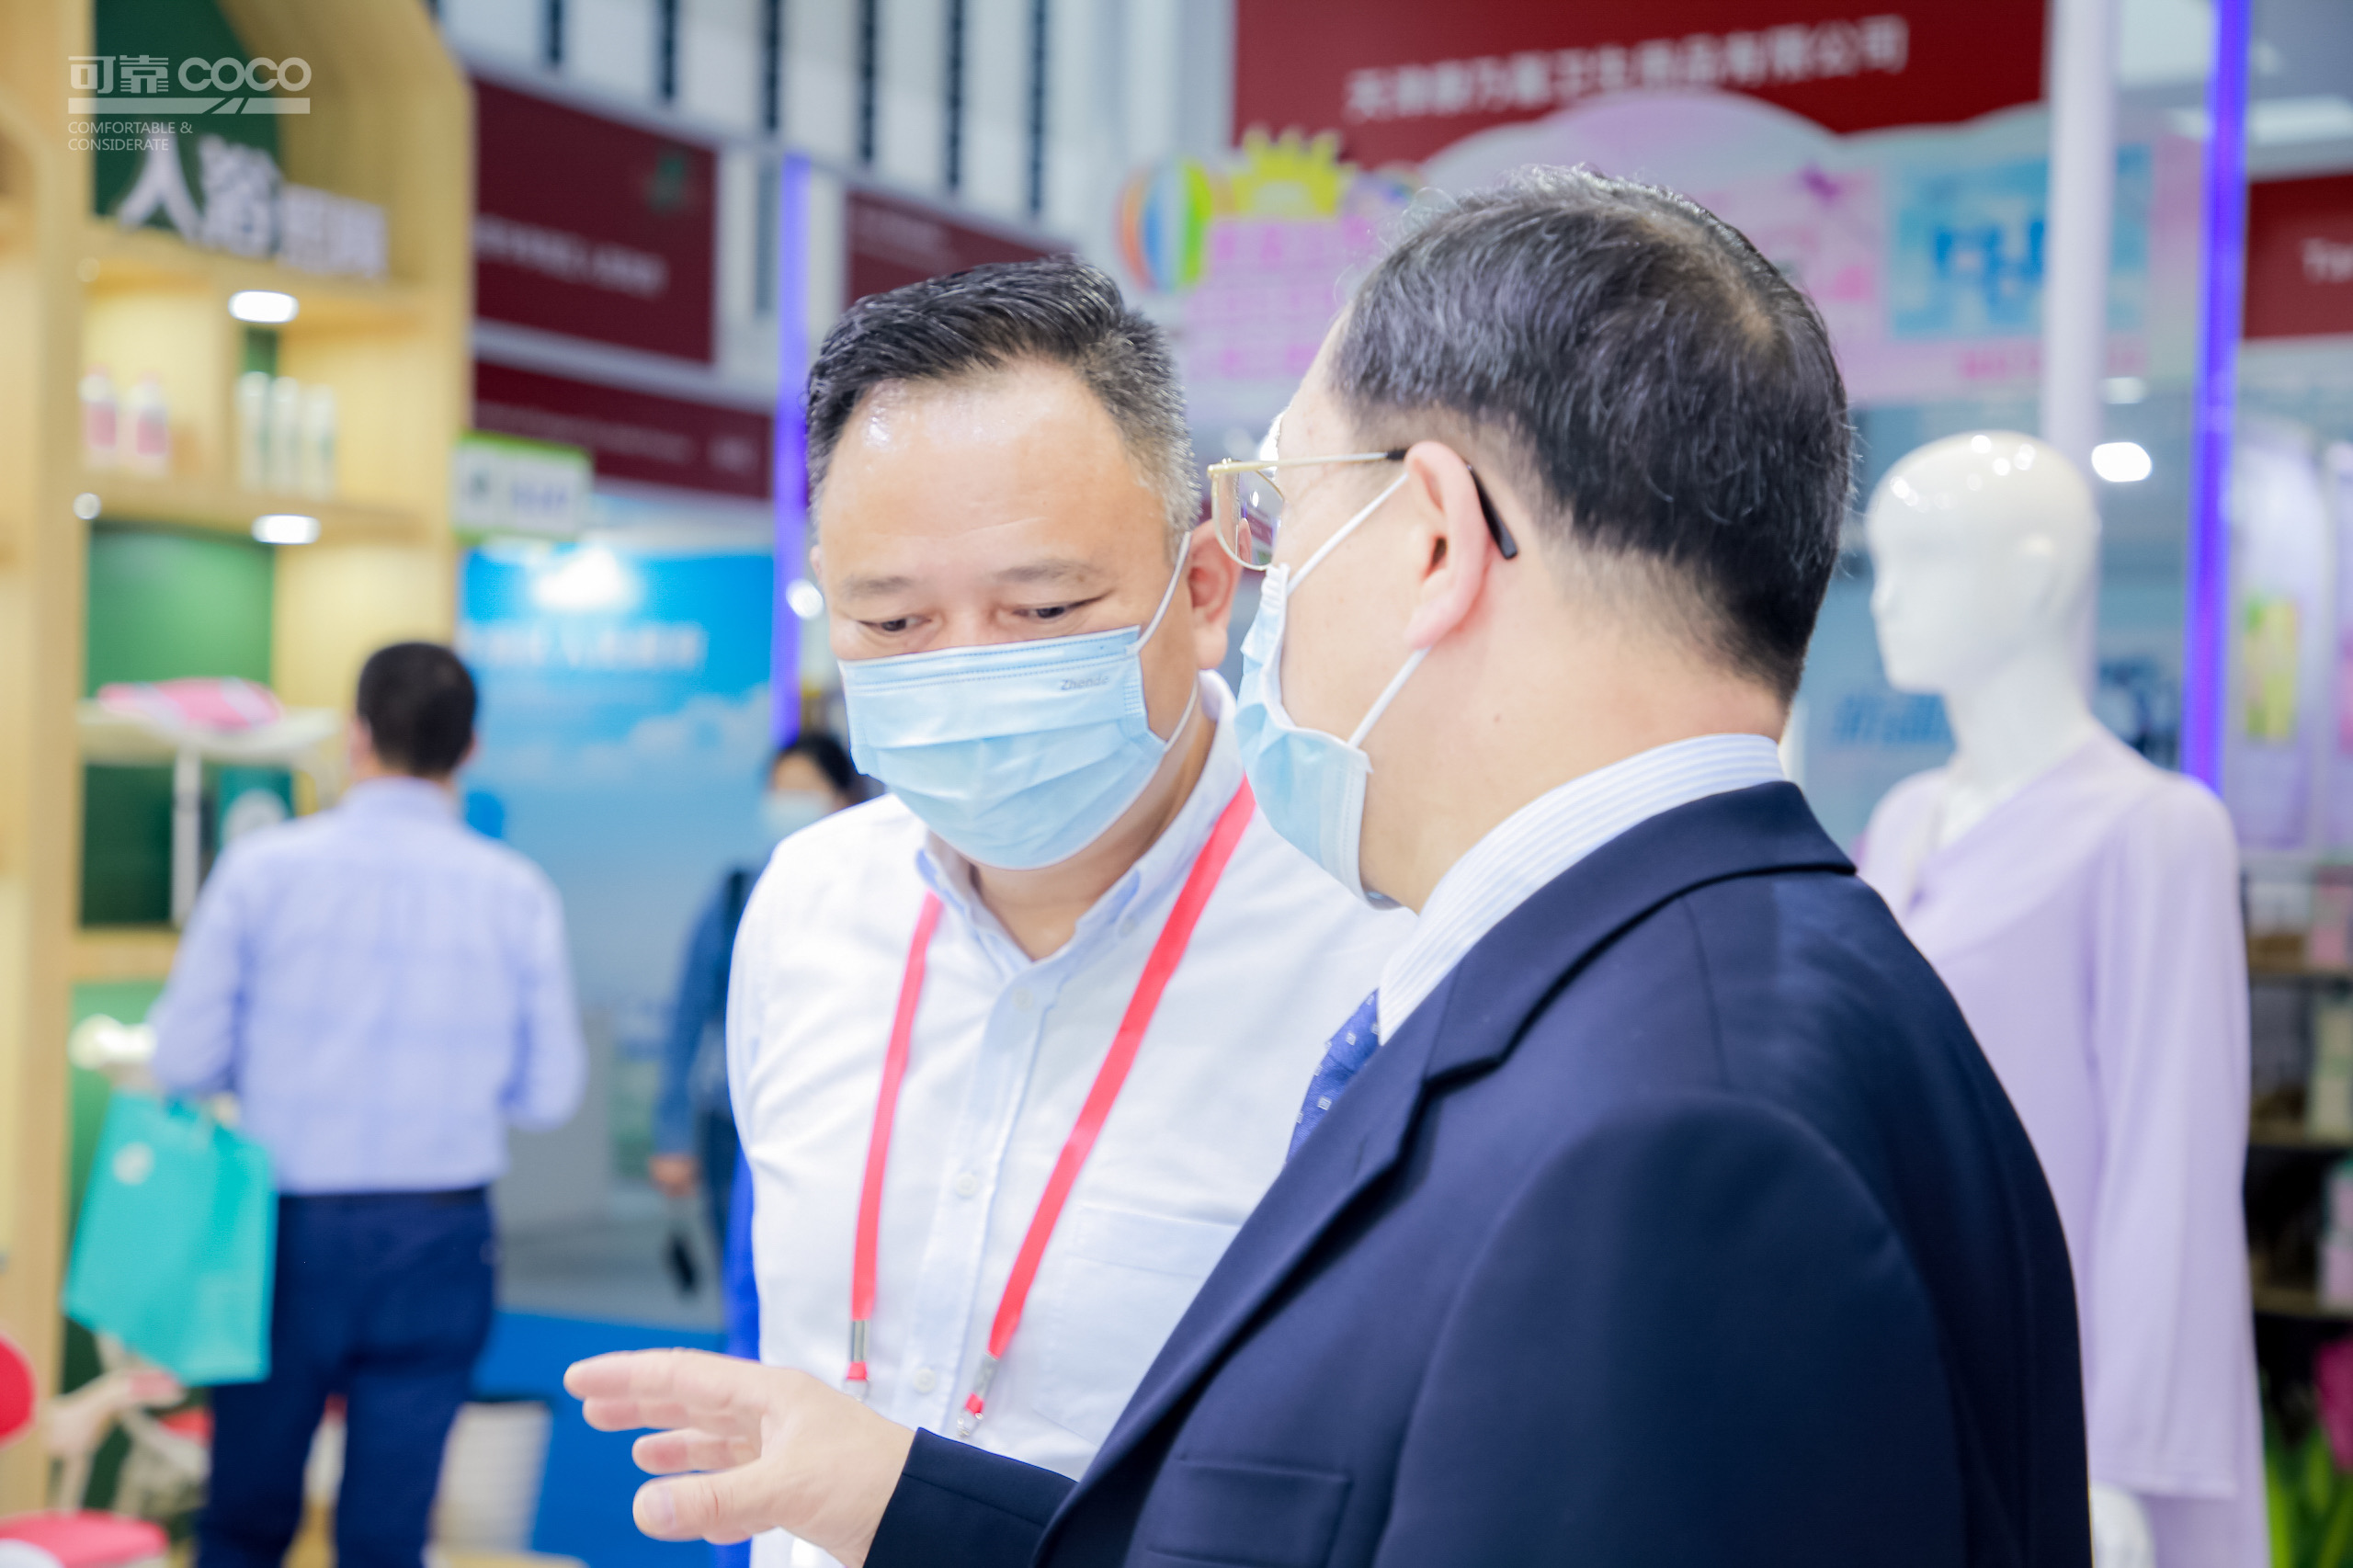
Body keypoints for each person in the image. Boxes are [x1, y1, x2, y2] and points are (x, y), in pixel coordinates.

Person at [567, 170, 2092, 1567]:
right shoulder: (1733, 983)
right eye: (893, 619)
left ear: (1430, 540)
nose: (1273, 578)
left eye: (1284, 510)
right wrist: (897, 1497)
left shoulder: (1665, 1116)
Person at [714, 256, 1412, 1562]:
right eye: (893, 619)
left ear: (1200, 593)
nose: (967, 665)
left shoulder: (1376, 942)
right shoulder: (807, 906)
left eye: (1042, 607)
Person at [151, 641, 585, 1568]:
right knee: (388, 1537)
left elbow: (182, 1061)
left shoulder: (262, 870)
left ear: (355, 735)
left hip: (282, 1230)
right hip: (441, 1235)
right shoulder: (516, 891)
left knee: (242, 1521)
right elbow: (550, 1095)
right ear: (470, 747)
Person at [650, 733, 863, 1251]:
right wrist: (673, 1134)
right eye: (777, 789)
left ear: (843, 798)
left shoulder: (872, 896)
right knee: (740, 1266)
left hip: (837, 1121)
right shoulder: (737, 893)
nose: (786, 803)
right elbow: (688, 1014)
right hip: (733, 1119)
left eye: (803, 790)